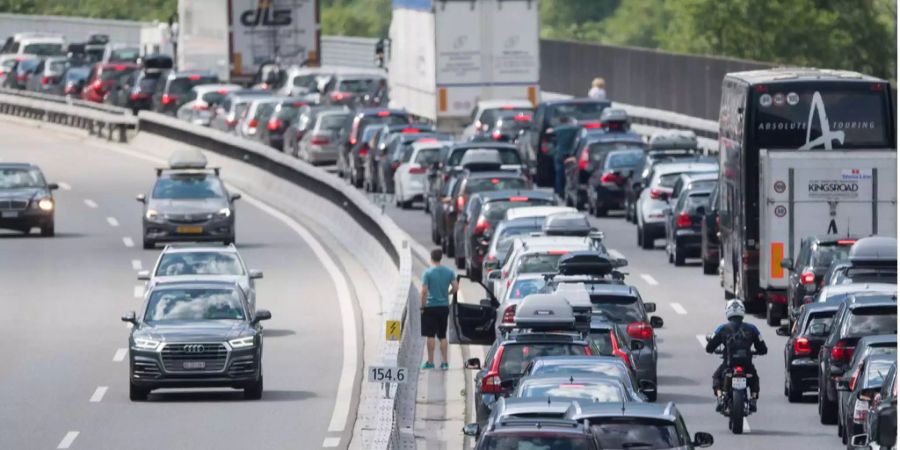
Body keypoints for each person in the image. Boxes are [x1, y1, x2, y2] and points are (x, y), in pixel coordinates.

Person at [705, 299, 767, 412]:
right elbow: (763, 348)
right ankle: (753, 398)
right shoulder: (752, 328)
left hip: (728, 364)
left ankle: (720, 397)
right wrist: (758, 351)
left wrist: (713, 348)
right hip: (747, 364)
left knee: (716, 377)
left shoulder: (722, 328)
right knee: (754, 378)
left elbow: (709, 347)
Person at [420, 248, 459, 370]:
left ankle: (430, 362)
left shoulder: (427, 273)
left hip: (430, 307)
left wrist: (422, 306)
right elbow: (456, 287)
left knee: (430, 335)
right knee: (442, 335)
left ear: (431, 258)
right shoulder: (449, 272)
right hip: (443, 307)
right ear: (441, 257)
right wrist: (448, 293)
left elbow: (424, 291)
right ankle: (445, 362)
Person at [551, 116, 580, 199]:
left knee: (559, 173)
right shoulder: (575, 129)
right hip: (571, 154)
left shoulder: (558, 129)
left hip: (560, 153)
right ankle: (570, 190)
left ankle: (559, 192)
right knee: (572, 174)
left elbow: (549, 133)